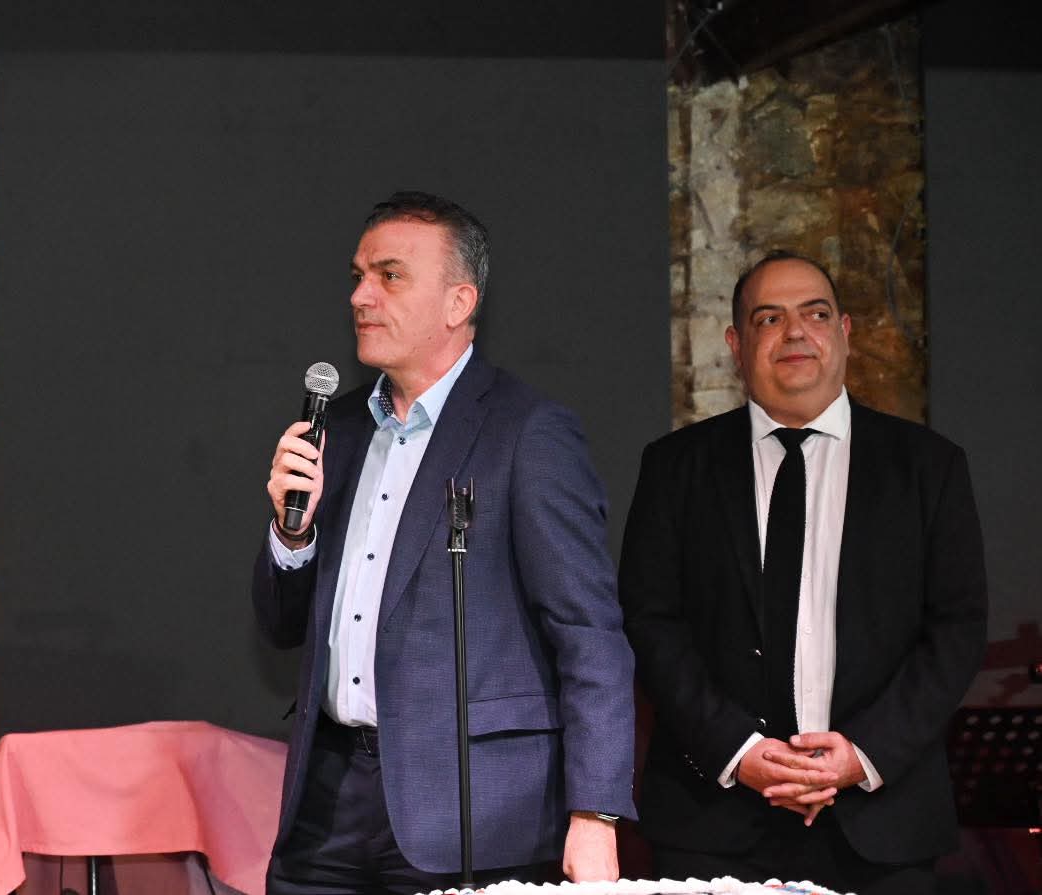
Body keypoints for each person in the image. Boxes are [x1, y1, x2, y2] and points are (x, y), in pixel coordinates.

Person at [253, 191, 636, 894]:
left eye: (390, 276)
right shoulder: (337, 429)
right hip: (326, 803)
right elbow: (280, 627)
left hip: (470, 810)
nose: (361, 296)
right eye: (358, 276)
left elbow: (589, 635)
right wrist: (291, 532)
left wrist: (596, 812)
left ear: (459, 302)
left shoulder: (528, 431)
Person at [619, 250, 987, 895]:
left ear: (844, 332)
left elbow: (955, 630)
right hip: (712, 820)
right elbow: (651, 624)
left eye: (815, 314)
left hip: (883, 822)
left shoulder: (929, 467)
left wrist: (862, 755)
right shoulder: (675, 467)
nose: (795, 332)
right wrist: (740, 752)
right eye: (769, 318)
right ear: (736, 345)